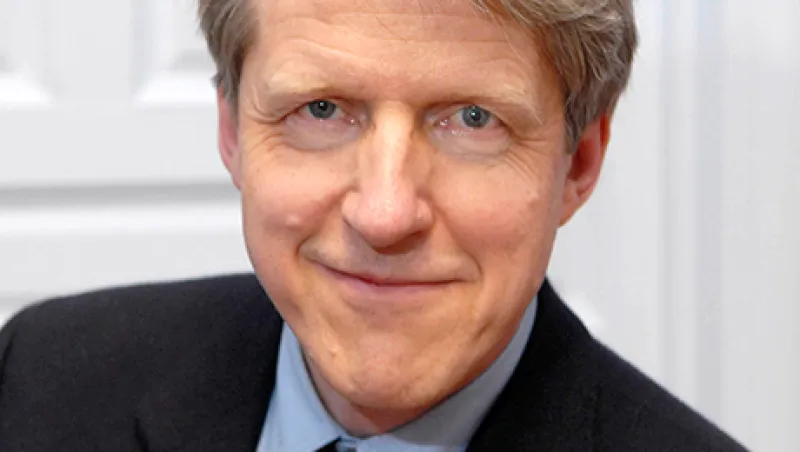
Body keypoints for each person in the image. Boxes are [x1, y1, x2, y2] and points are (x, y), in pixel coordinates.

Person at [0, 0, 747, 451]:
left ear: (577, 164)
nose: (385, 215)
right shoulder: (41, 379)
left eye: (473, 120)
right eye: (321, 110)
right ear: (232, 133)